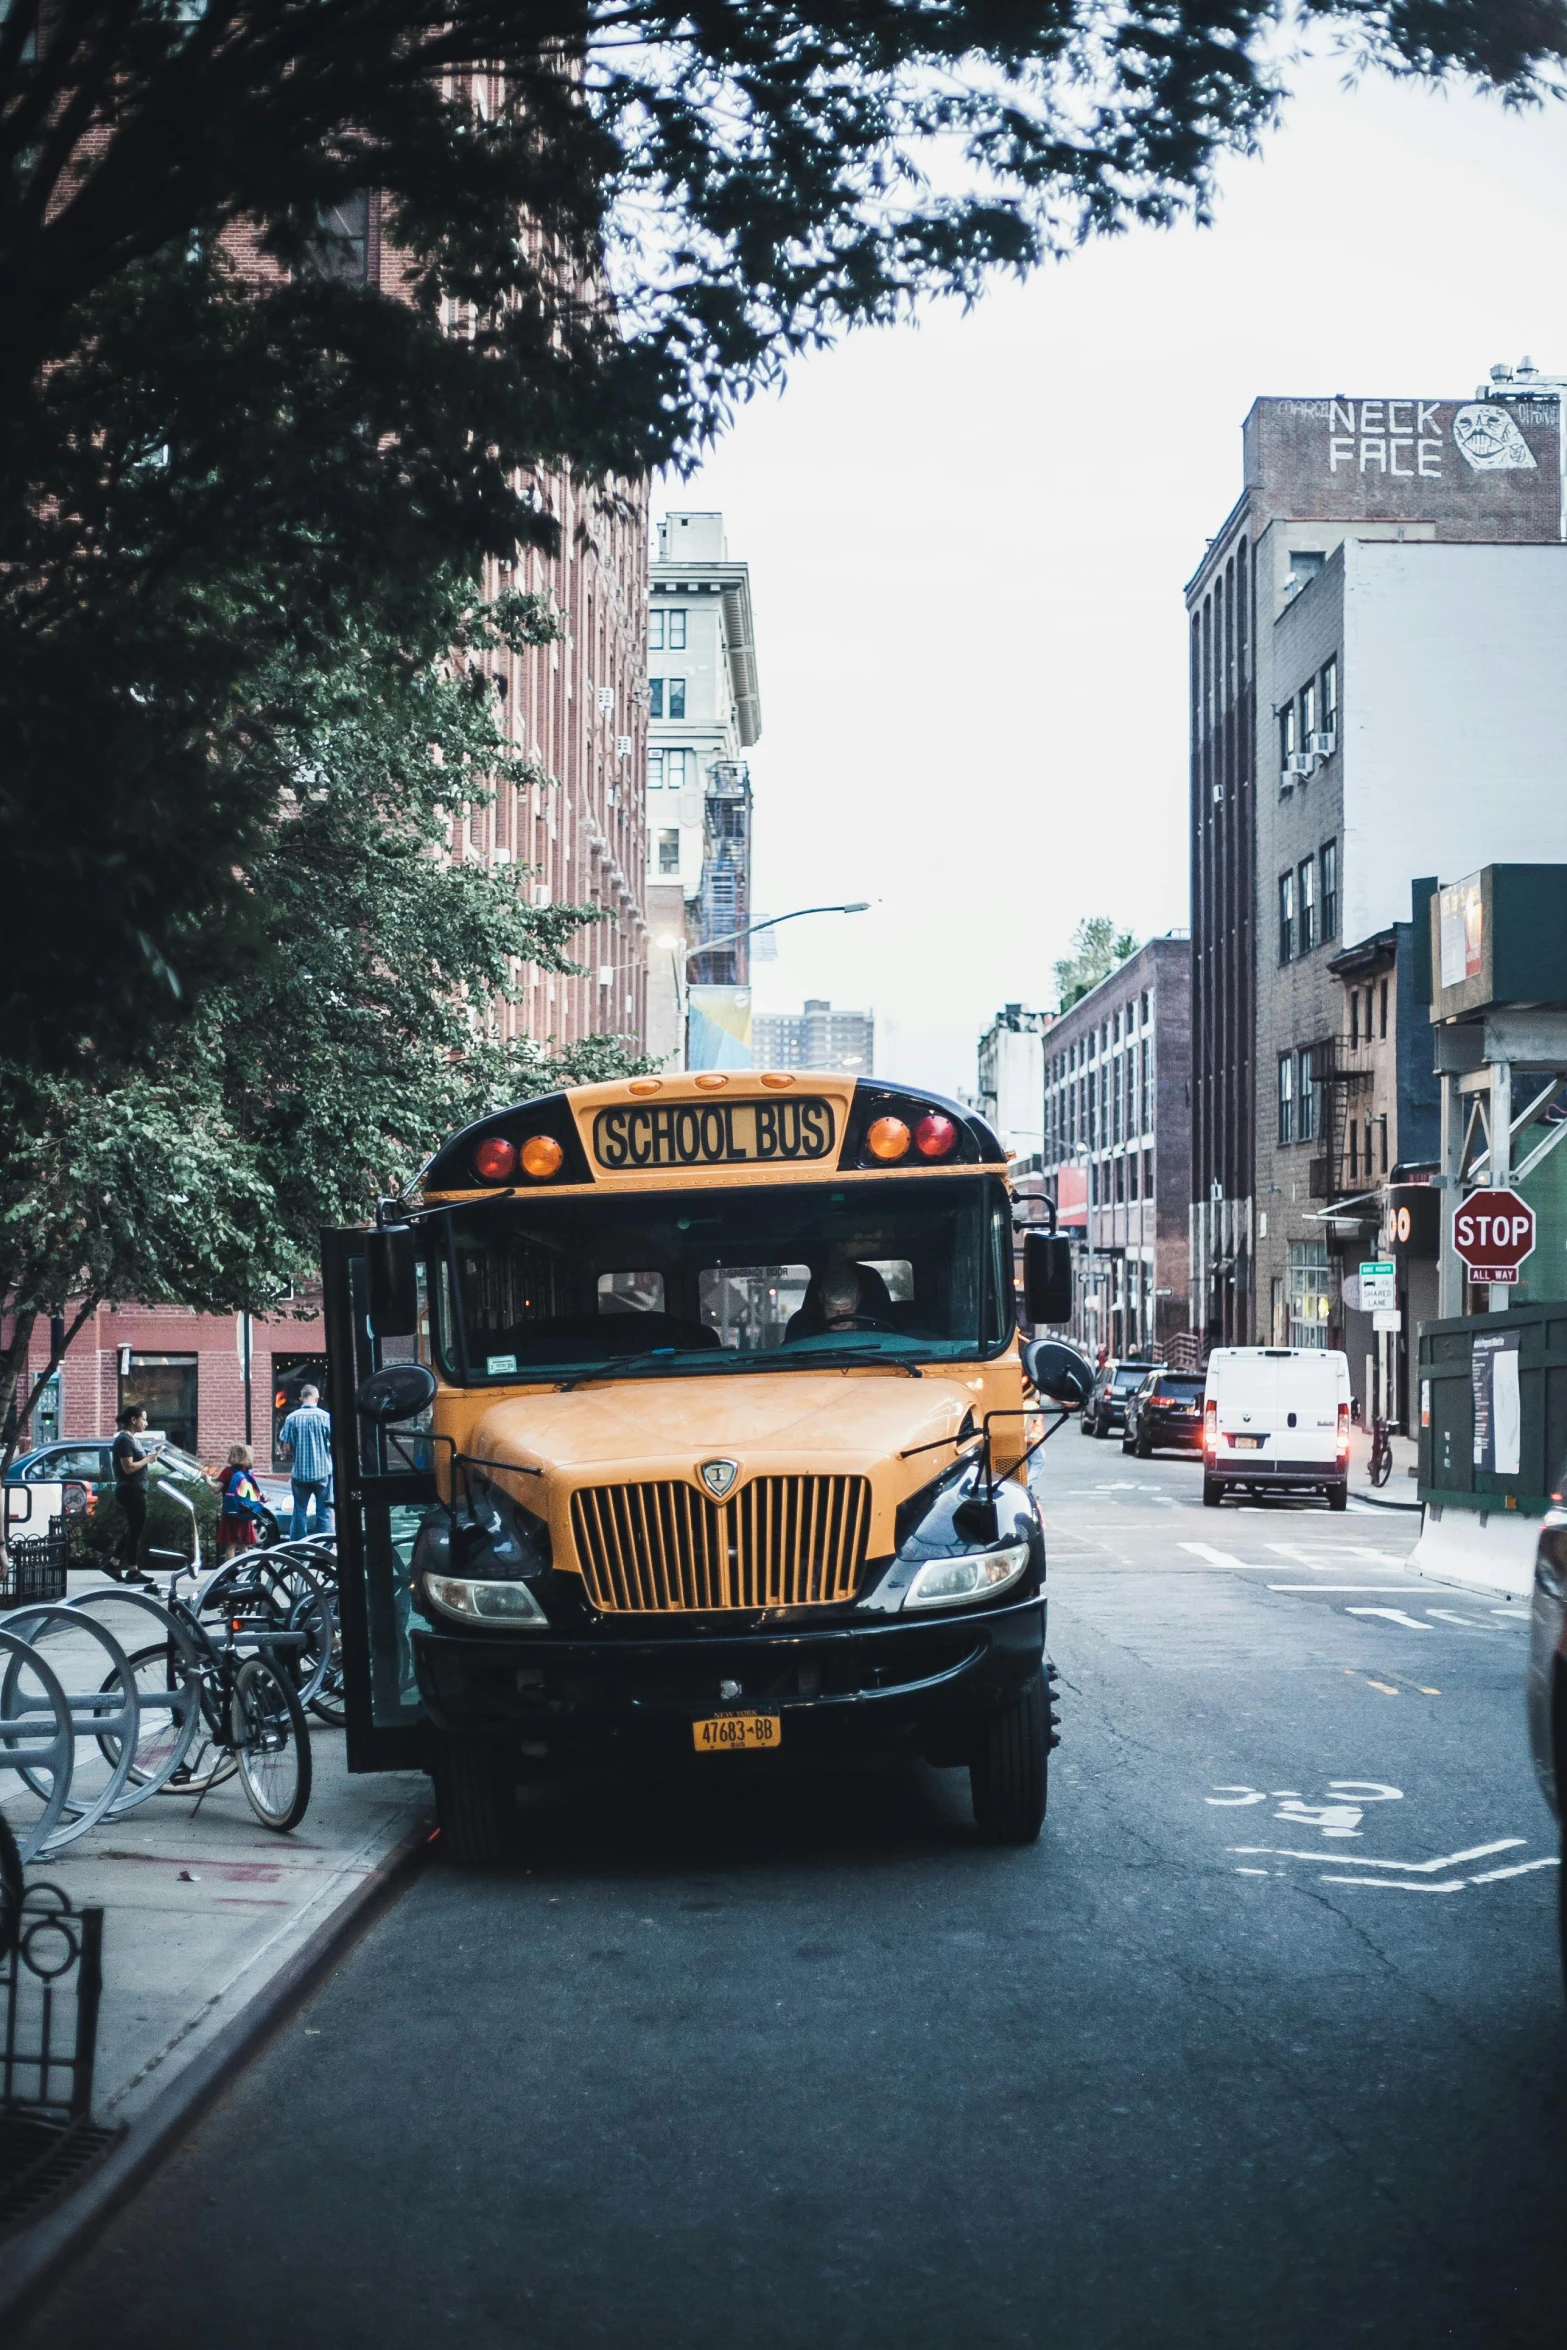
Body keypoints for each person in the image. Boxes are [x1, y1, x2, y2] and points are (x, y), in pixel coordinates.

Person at [278, 1384, 335, 1539]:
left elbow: (285, 1447)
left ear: (301, 1398)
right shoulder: (325, 1417)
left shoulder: (291, 1418)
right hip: (323, 1471)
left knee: (299, 1511)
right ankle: (325, 1546)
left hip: (300, 1473)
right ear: (317, 1398)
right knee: (324, 1511)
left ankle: (298, 1548)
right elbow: (335, 1444)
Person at [110, 1403, 154, 1584]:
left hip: (137, 1489)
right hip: (130, 1489)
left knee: (134, 1528)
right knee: (135, 1529)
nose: (146, 1423)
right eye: (143, 1419)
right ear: (133, 1420)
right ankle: (132, 1570)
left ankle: (114, 1563)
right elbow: (128, 1468)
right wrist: (147, 1459)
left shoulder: (132, 1440)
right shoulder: (124, 1440)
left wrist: (146, 1458)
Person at [217, 1444, 265, 1561]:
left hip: (230, 1513)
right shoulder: (248, 1473)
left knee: (230, 1546)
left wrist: (206, 1479)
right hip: (244, 1513)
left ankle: (229, 1572)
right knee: (243, 1544)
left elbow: (215, 1489)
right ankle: (247, 1571)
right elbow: (254, 1493)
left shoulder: (227, 1472)